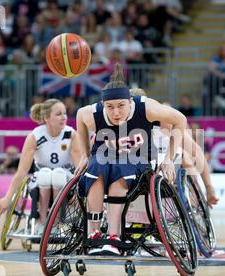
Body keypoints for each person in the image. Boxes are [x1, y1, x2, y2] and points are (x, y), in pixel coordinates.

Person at [75, 63, 188, 256]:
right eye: (110, 107)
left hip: (138, 160)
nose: (116, 112)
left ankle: (113, 236)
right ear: (103, 105)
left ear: (130, 101)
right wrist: (85, 155)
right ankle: (93, 233)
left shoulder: (146, 107)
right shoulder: (90, 113)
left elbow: (181, 120)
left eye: (121, 106)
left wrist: (168, 158)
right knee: (95, 170)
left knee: (120, 171)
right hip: (104, 157)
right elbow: (79, 117)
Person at [0, 99, 79, 234]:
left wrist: (81, 191)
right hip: (40, 181)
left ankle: (56, 223)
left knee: (58, 173)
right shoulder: (35, 136)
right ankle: (42, 222)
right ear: (46, 118)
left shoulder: (71, 134)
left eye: (65, 113)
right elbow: (21, 171)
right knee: (46, 173)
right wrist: (7, 197)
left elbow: (79, 168)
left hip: (65, 180)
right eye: (58, 114)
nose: (64, 117)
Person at [130, 87, 219, 207]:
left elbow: (196, 151)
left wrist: (209, 187)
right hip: (142, 164)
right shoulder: (120, 120)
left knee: (185, 157)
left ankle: (195, 192)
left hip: (165, 161)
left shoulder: (164, 121)